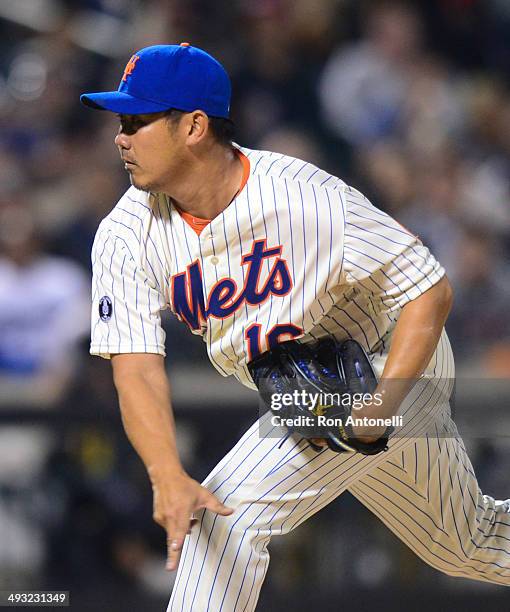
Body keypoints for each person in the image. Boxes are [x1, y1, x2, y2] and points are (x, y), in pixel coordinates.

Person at [81, 44, 510, 611]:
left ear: (194, 126)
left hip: (388, 360)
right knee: (465, 542)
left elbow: (428, 289)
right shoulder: (125, 234)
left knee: (224, 520)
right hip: (301, 388)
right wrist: (165, 473)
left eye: (137, 120)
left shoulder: (304, 198)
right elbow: (135, 368)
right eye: (120, 122)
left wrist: (383, 404)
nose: (120, 136)